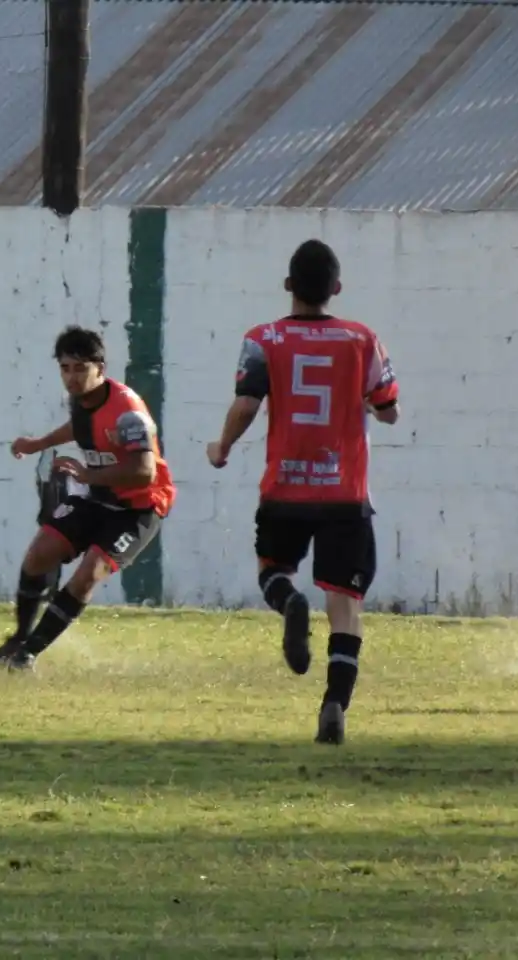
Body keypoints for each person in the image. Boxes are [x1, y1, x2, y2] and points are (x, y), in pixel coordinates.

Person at [206, 239, 400, 745]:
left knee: (272, 570)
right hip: (345, 493)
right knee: (345, 602)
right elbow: (389, 408)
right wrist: (373, 405)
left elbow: (246, 405)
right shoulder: (363, 340)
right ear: (336, 289)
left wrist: (221, 446)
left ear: (289, 286)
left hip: (286, 488)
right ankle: (335, 703)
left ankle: (289, 601)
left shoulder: (262, 338)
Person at [0, 325, 176, 670]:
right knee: (39, 554)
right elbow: (81, 426)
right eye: (65, 368)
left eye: (80, 368)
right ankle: (19, 637)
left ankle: (27, 655)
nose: (72, 378)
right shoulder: (82, 400)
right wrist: (38, 443)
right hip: (99, 495)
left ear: (100, 369)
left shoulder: (128, 411)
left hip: (139, 507)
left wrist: (88, 475)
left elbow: (144, 472)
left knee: (88, 574)